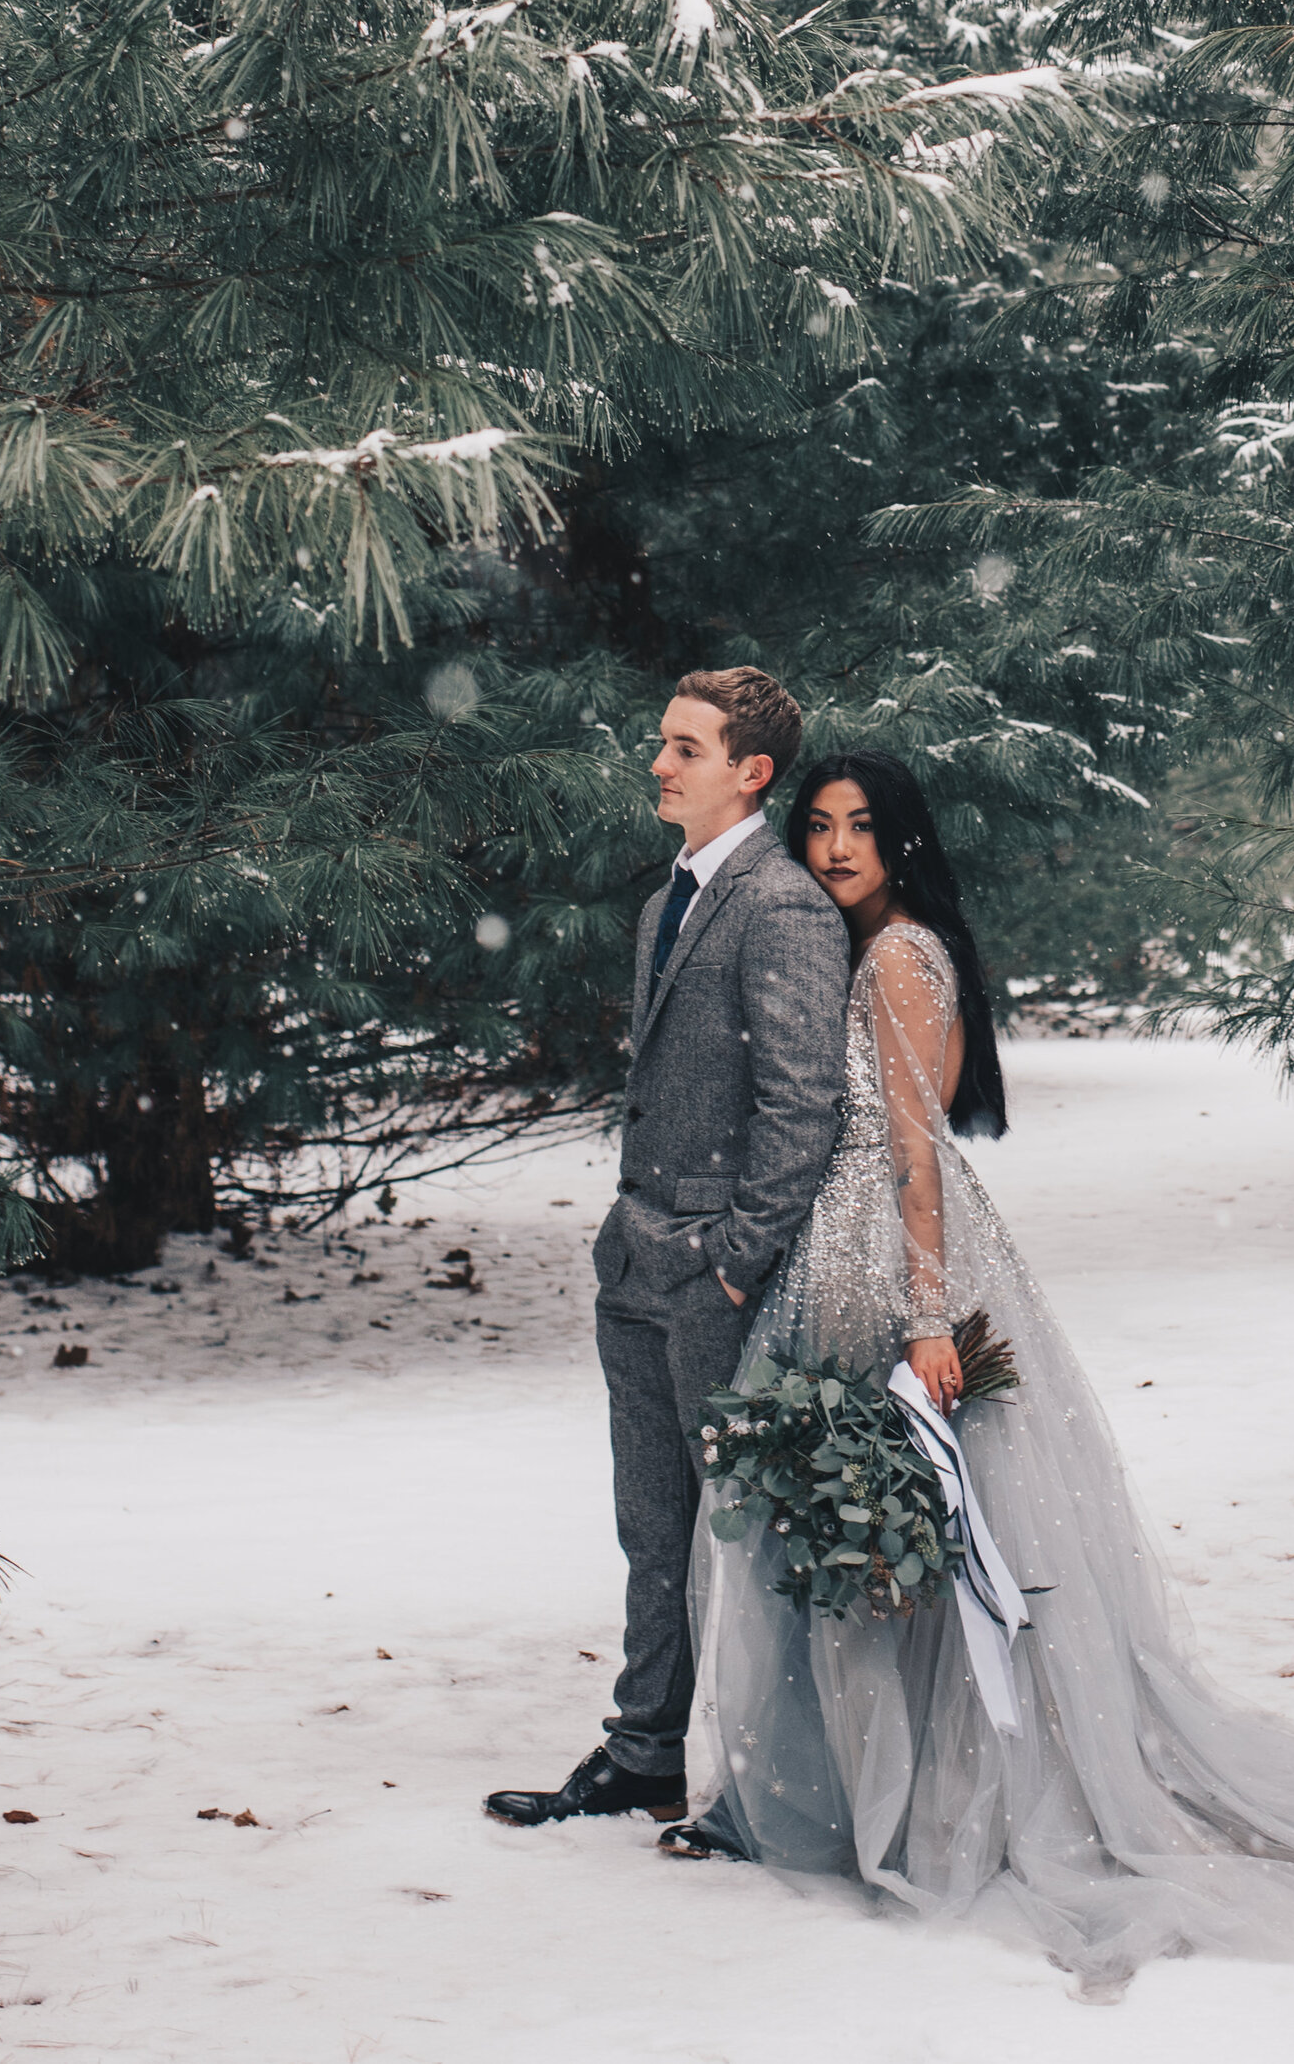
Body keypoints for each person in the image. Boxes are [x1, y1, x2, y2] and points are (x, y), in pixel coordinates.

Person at [658, 752, 1294, 1992]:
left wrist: (926, 1319)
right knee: (890, 1539)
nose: (836, 850)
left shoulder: (894, 957)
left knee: (916, 1536)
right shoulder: (888, 945)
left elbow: (911, 1152)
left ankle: (929, 1805)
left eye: (863, 830)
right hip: (849, 1254)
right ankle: (880, 1792)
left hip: (886, 1258)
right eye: (820, 827)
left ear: (904, 843)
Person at [485, 667, 851, 1831]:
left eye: (683, 748)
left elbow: (804, 1107)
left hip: (712, 1278)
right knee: (652, 1528)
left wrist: (735, 1256)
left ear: (749, 772)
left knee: (736, 1533)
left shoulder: (784, 907)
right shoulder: (666, 903)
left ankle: (771, 1788)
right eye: (662, 742)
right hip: (632, 1263)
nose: (658, 763)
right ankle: (644, 1753)